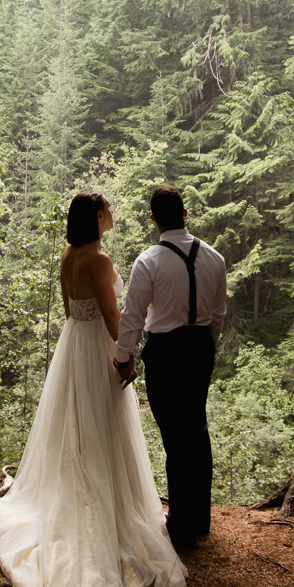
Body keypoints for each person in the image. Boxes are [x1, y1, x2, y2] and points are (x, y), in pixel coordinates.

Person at [0, 192, 185, 587]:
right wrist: (125, 359)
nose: (114, 215)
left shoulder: (68, 257)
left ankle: (84, 484)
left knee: (76, 430)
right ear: (97, 218)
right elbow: (111, 316)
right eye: (108, 210)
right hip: (95, 345)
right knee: (105, 428)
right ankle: (109, 507)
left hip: (70, 348)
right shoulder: (98, 259)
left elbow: (71, 310)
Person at [114, 183, 226, 551]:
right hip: (200, 349)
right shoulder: (215, 258)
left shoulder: (148, 261)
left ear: (153, 220)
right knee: (197, 427)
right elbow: (218, 316)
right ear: (185, 214)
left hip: (165, 352)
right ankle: (199, 518)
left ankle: (181, 526)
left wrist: (121, 356)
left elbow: (132, 316)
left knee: (176, 436)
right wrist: (206, 346)